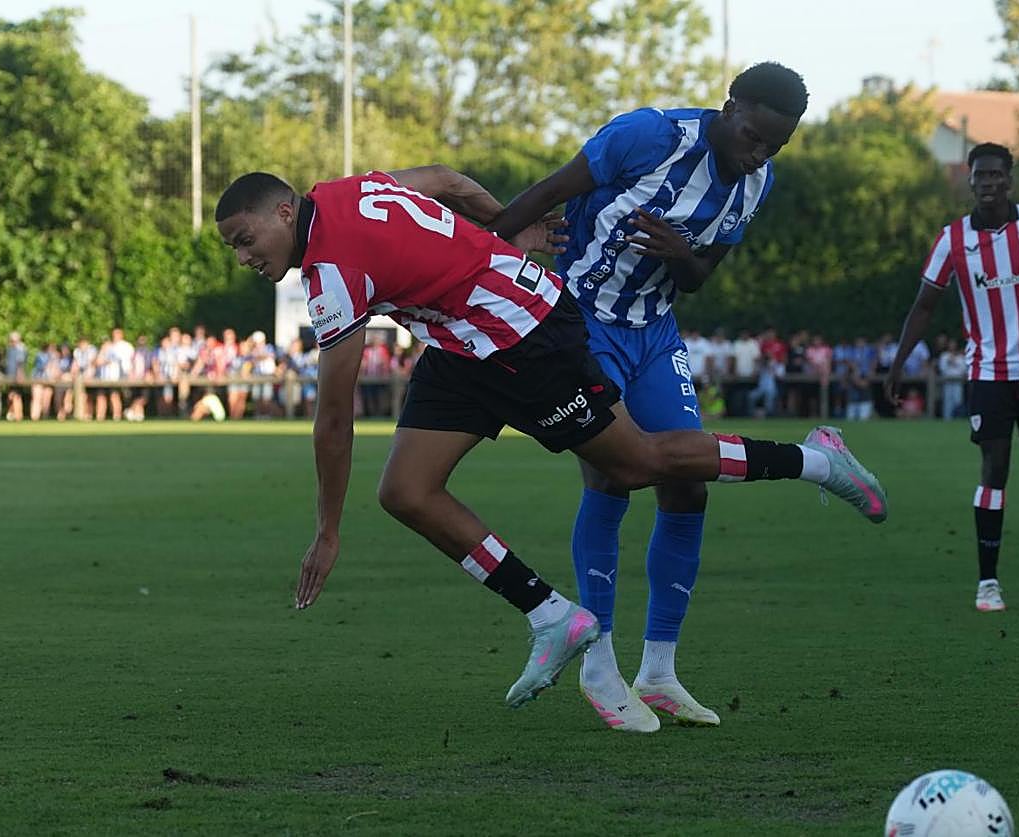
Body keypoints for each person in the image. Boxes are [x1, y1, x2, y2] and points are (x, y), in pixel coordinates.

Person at [214, 164, 887, 716]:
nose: (245, 257)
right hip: (464, 341)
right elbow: (445, 180)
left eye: (246, 239)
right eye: (234, 249)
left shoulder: (330, 274)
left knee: (637, 463)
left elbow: (335, 422)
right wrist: (510, 225)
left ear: (284, 212)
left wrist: (327, 532)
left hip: (523, 334)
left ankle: (816, 460)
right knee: (405, 490)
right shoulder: (346, 190)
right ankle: (551, 616)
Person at [486, 62, 811, 731]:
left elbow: (698, 276)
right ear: (730, 106)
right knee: (613, 475)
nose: (759, 153)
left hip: (655, 333)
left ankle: (659, 672)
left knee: (688, 485)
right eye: (753, 136)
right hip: (581, 324)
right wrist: (488, 255)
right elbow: (547, 193)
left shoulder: (757, 180)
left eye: (774, 146)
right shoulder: (647, 136)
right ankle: (599, 663)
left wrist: (679, 250)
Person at [886, 142, 1019, 613]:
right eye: (980, 176)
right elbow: (924, 306)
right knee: (994, 471)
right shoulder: (953, 239)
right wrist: (899, 362)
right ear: (969, 182)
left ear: (1009, 180)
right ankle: (988, 584)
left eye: (995, 175)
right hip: (988, 374)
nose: (988, 183)